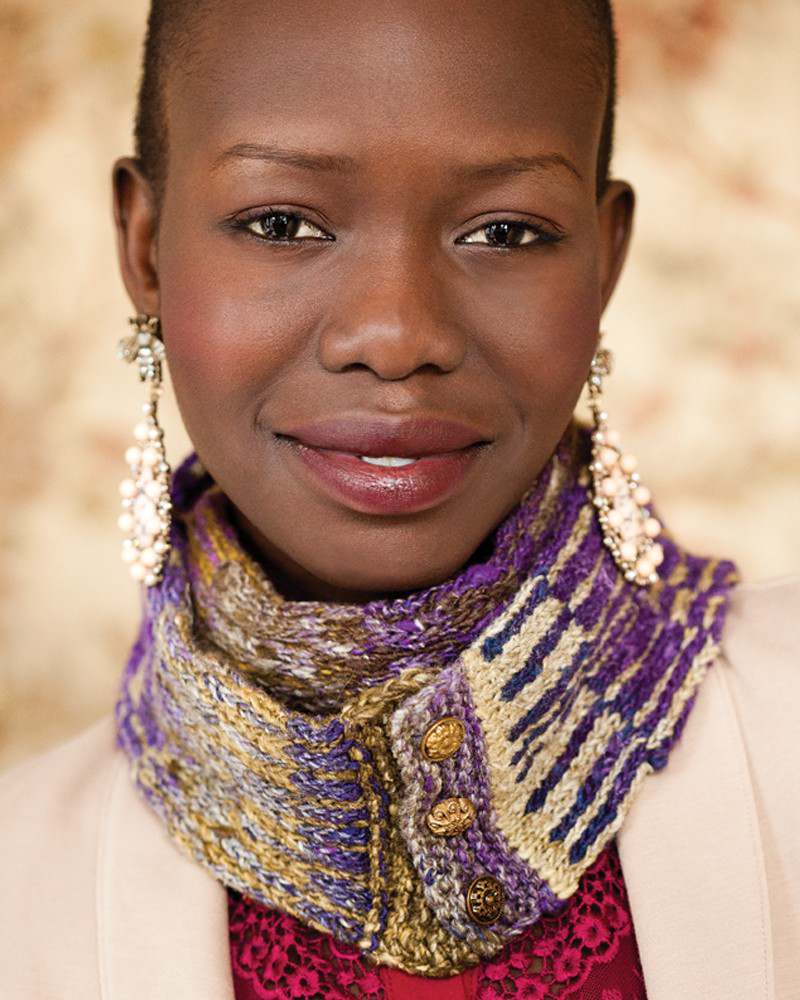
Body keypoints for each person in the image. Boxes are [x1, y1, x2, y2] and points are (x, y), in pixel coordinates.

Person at [1, 1, 798, 997]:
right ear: (145, 245)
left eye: (503, 231)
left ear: (604, 256)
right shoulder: (20, 884)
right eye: (281, 224)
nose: (394, 335)